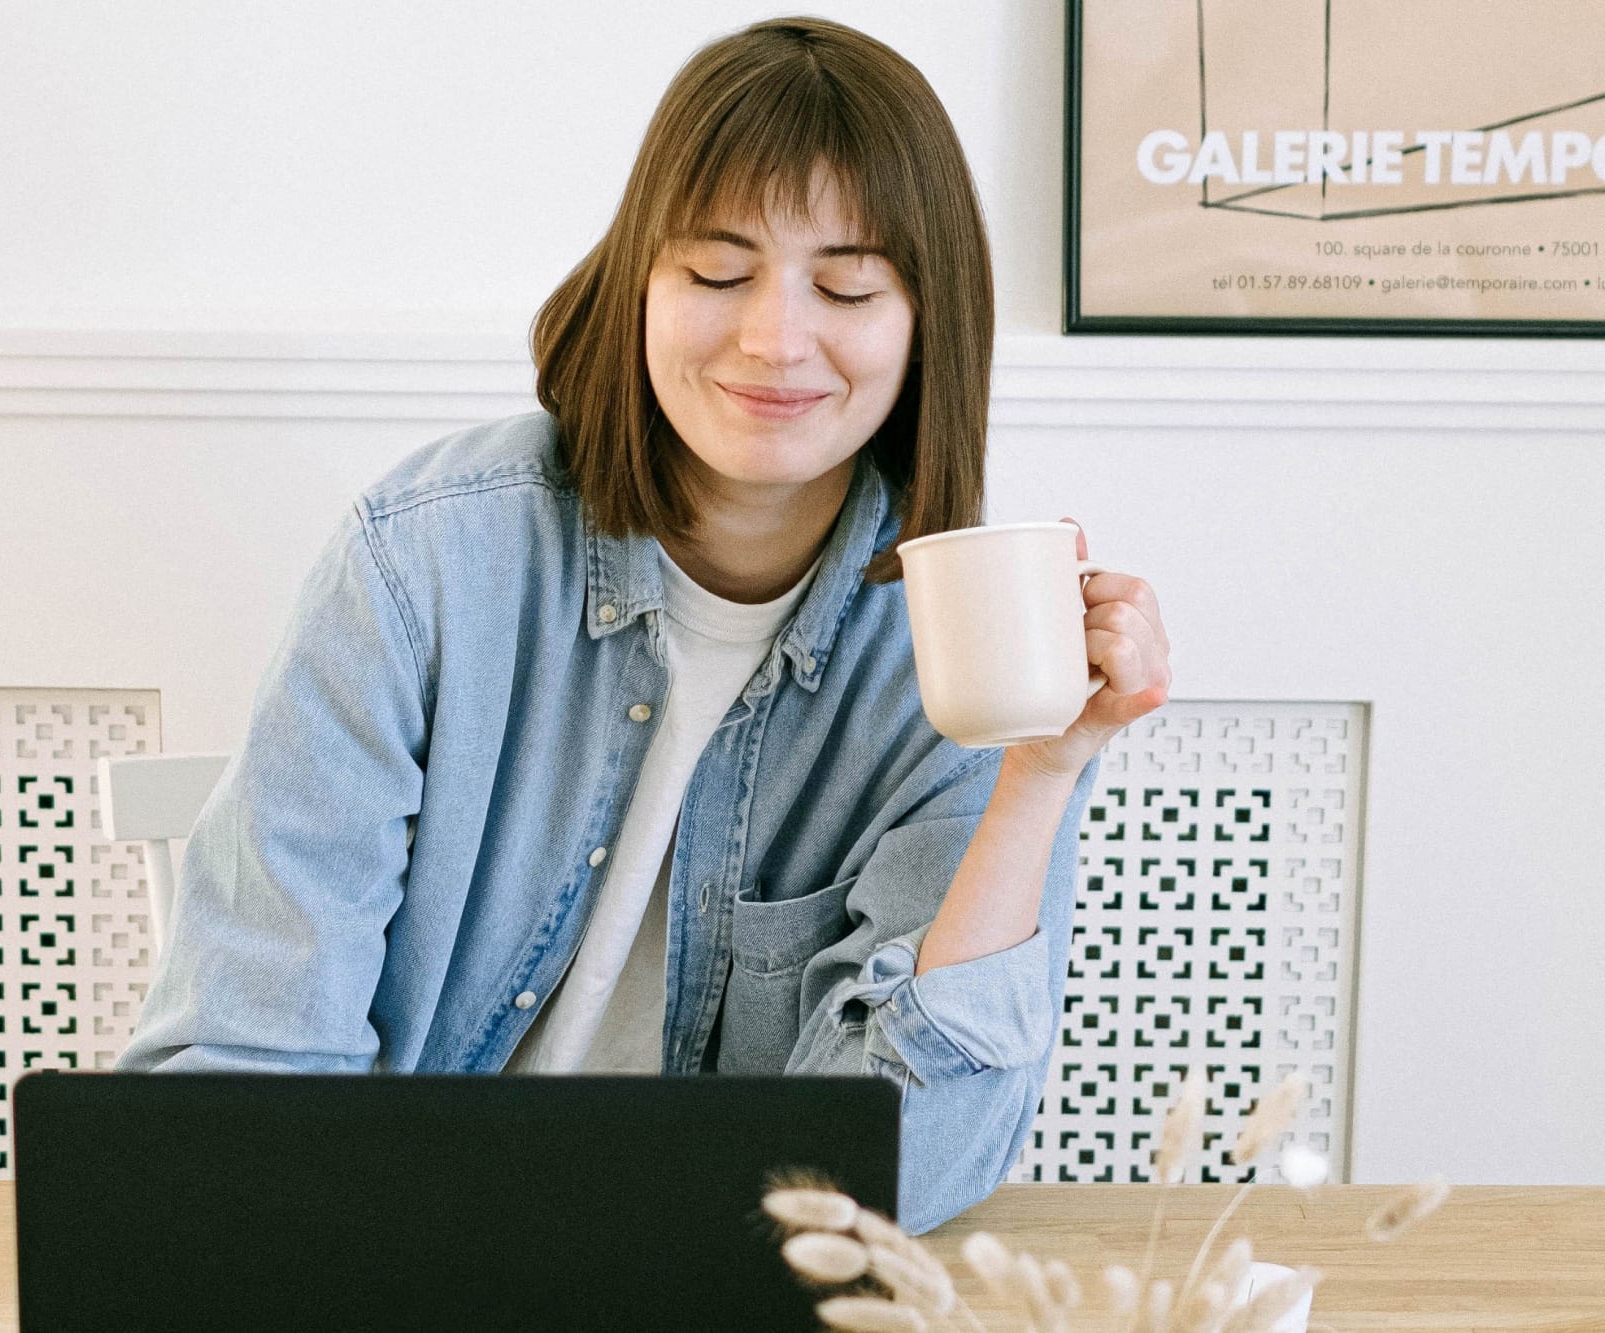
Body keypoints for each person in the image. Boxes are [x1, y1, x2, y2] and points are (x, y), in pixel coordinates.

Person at [117, 15, 1172, 1233]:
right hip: (398, 1247)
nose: (773, 339)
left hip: (723, 1276)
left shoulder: (971, 642)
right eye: (716, 273)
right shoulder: (425, 559)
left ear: (925, 321)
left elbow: (901, 1174)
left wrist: (1037, 774)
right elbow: (245, 1079)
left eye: (844, 285)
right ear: (637, 283)